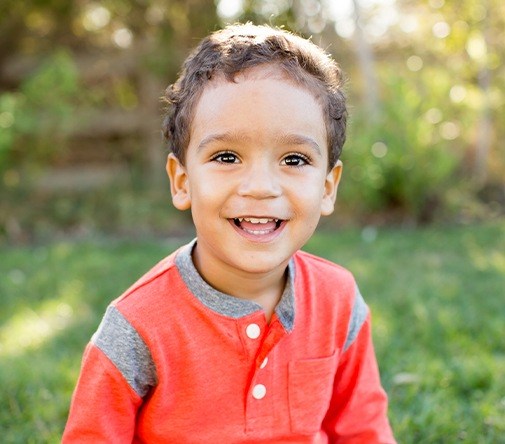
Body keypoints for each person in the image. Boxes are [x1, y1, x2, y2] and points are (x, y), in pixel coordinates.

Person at [63, 23, 396, 443]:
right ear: (182, 181)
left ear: (327, 187)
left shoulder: (340, 301)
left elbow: (363, 430)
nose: (260, 186)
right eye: (227, 156)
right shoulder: (136, 328)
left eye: (294, 160)